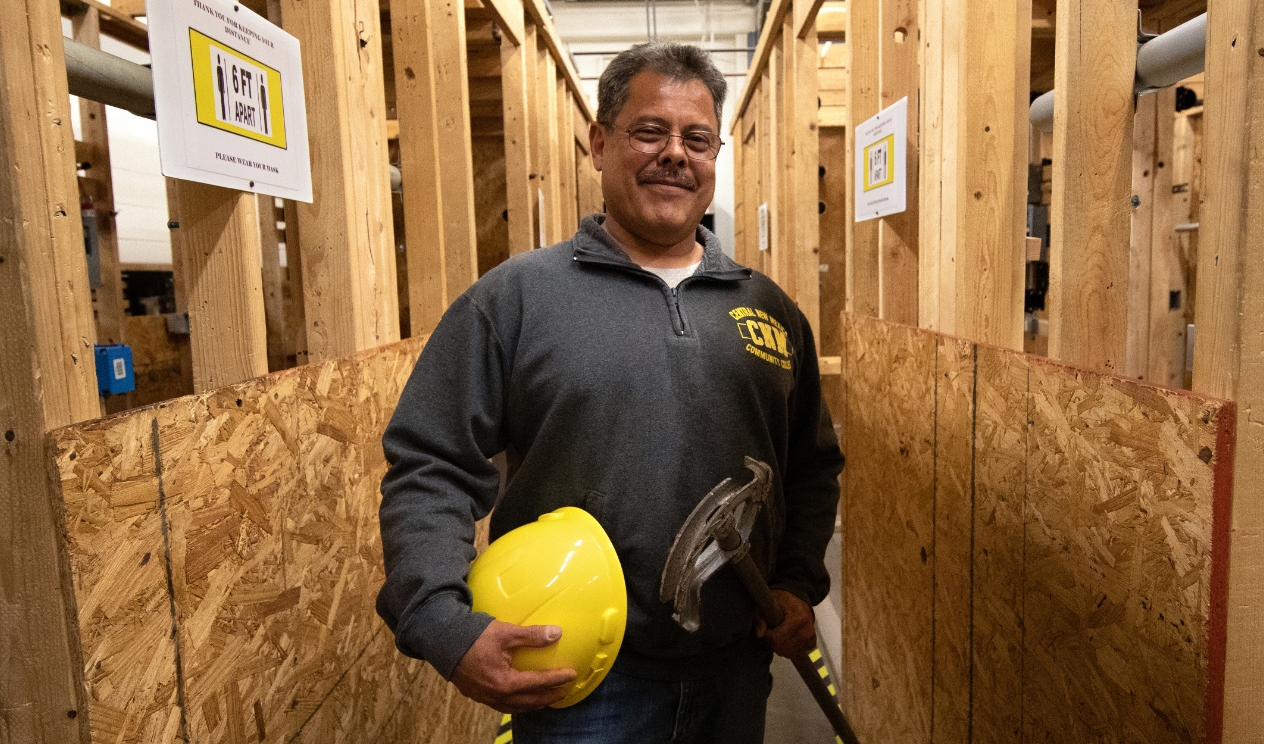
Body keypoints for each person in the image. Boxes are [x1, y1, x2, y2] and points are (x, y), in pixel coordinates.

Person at [376, 42, 844, 743]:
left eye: (697, 139)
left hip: (736, 669)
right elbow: (431, 464)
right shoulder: (518, 299)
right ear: (599, 143)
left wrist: (800, 581)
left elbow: (810, 466)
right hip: (578, 683)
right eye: (650, 131)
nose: (675, 155)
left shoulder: (769, 311)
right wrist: (441, 620)